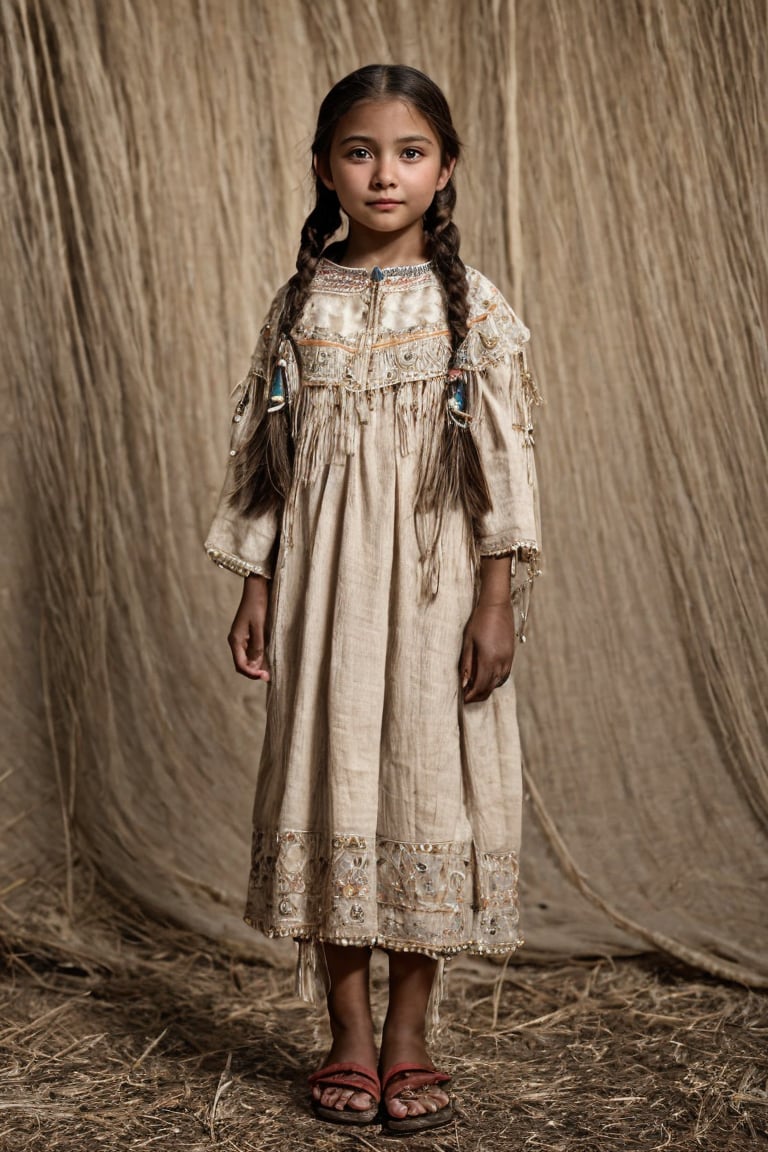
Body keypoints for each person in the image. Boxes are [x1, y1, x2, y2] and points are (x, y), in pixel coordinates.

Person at [204, 63, 542, 1134]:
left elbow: (505, 458)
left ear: (445, 172)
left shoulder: (471, 305)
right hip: (321, 587)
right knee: (334, 780)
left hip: (438, 589)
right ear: (324, 168)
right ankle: (346, 1036)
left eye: (408, 153)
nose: (383, 172)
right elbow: (268, 457)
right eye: (359, 151)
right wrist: (256, 580)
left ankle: (410, 1035)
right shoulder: (301, 302)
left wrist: (498, 596)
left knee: (425, 786)